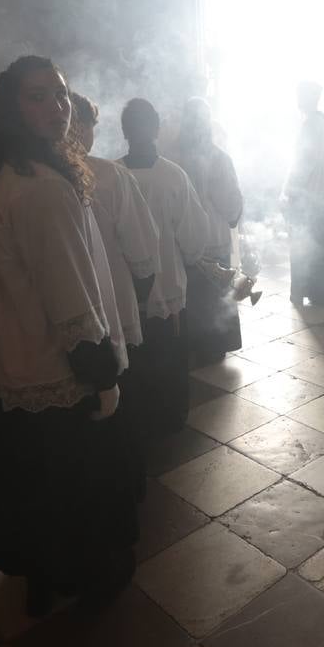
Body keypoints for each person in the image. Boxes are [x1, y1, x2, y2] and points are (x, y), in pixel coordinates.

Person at [0, 55, 135, 614]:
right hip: (56, 368)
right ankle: (79, 582)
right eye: (37, 97)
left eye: (59, 94)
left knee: (33, 482)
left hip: (18, 361)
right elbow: (71, 297)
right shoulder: (41, 189)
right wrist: (101, 376)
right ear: (11, 108)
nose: (56, 107)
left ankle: (39, 578)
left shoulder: (10, 171)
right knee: (71, 488)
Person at [120, 98, 210, 433]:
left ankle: (135, 417)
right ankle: (171, 418)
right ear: (157, 129)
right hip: (167, 288)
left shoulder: (110, 176)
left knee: (134, 361)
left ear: (124, 131)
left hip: (126, 293)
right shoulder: (173, 176)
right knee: (169, 359)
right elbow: (194, 237)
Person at [69, 92, 161, 350]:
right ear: (82, 127)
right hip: (109, 297)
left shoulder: (31, 176)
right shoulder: (110, 175)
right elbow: (141, 245)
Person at [173, 96, 244, 363]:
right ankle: (215, 345)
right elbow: (230, 201)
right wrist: (235, 216)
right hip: (213, 237)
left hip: (183, 240)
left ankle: (193, 344)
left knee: (193, 294)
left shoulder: (172, 157)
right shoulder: (218, 158)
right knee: (214, 293)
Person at [284, 82, 324, 307]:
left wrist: (289, 190)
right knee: (321, 245)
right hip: (321, 198)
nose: (298, 98)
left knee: (304, 245)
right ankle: (321, 290)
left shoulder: (310, 124)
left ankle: (306, 289)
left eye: (301, 94)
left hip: (307, 198)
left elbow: (302, 164)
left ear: (310, 97)